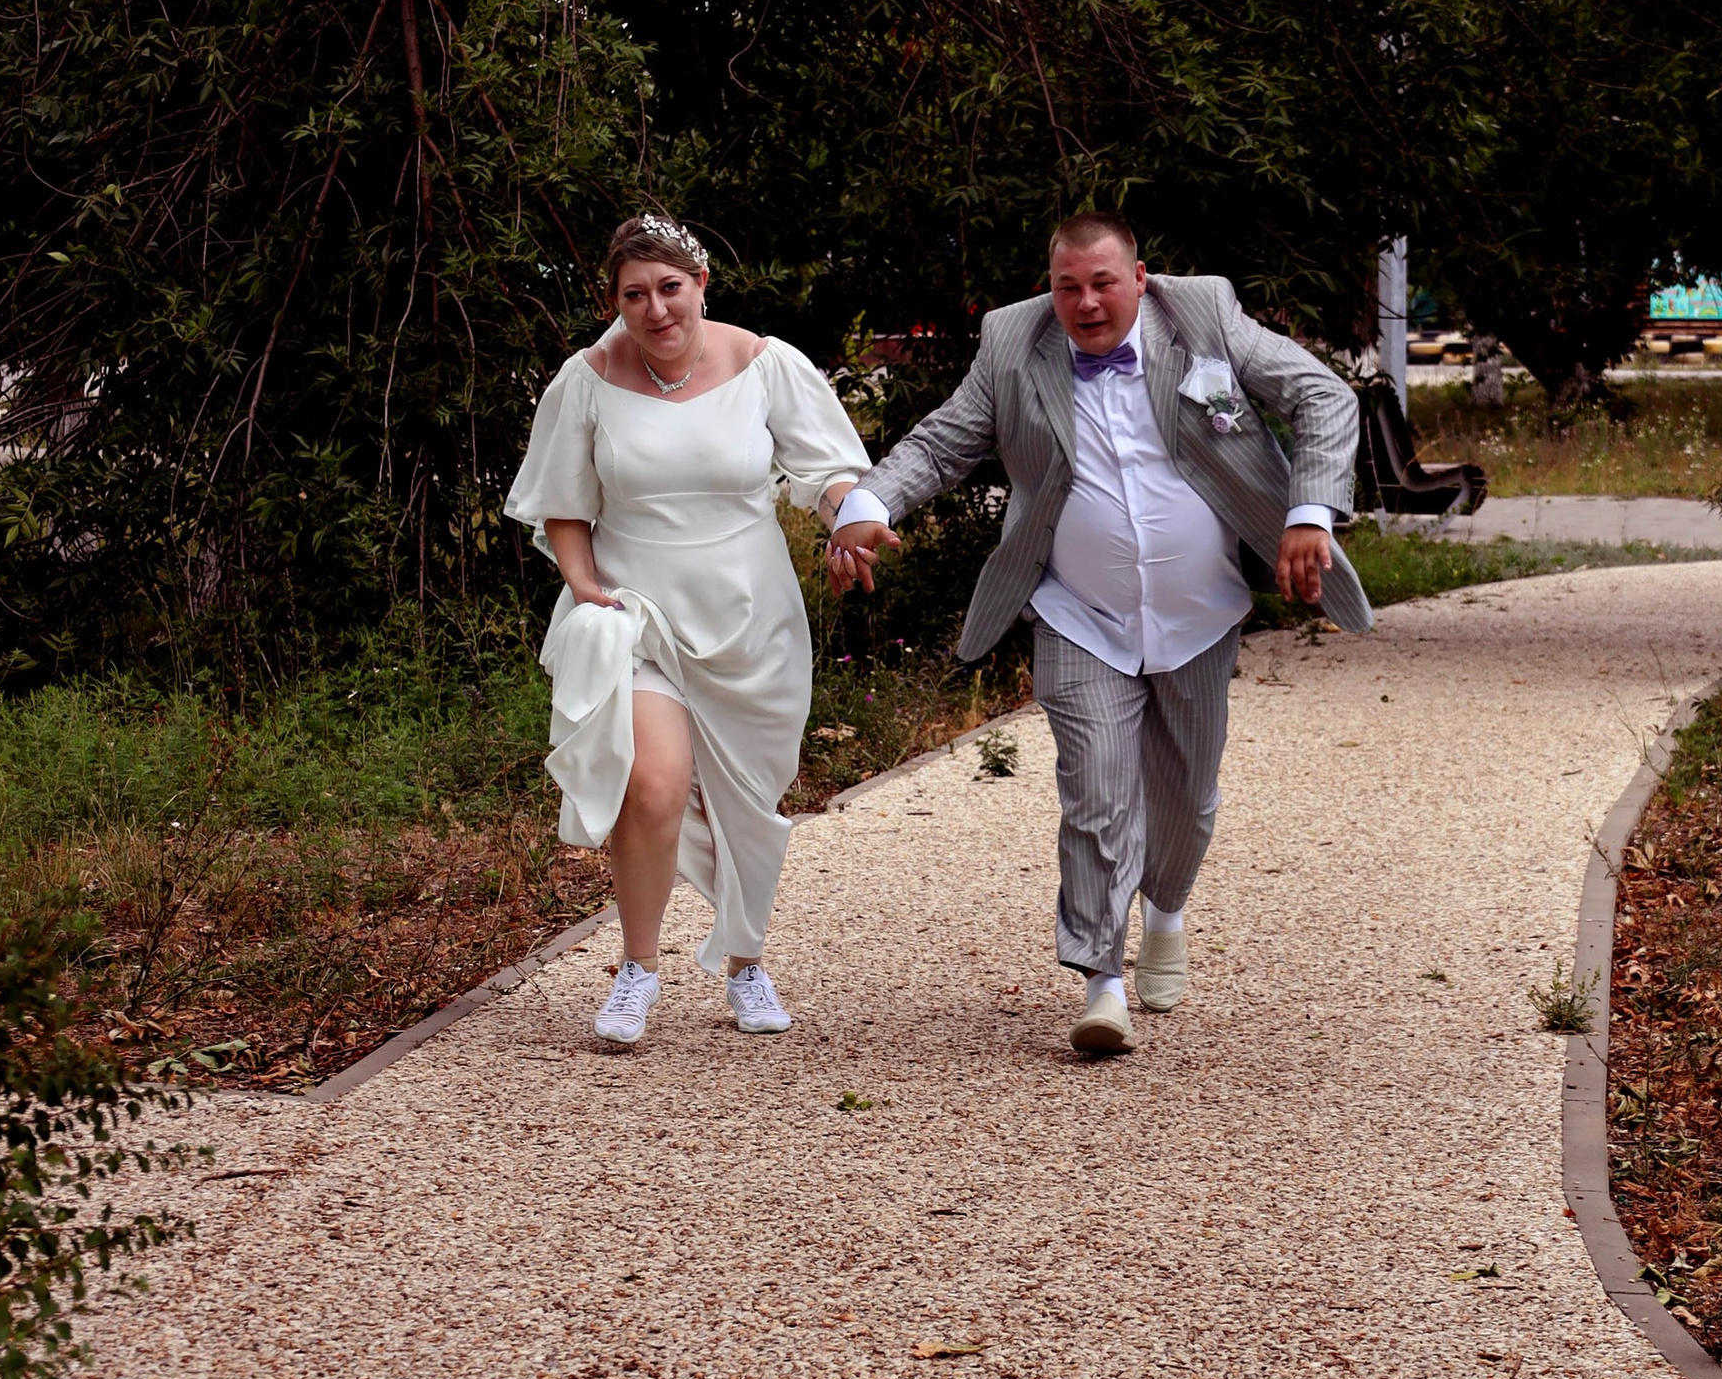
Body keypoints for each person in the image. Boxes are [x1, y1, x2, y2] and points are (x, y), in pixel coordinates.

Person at [826, 213, 1368, 1055]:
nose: (1084, 302)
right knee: (1095, 792)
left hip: (1200, 614)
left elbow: (1322, 394)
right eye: (1067, 285)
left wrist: (1308, 513)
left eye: (1102, 283)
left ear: (1140, 278)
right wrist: (867, 506)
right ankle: (1100, 980)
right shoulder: (1013, 343)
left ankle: (1167, 912)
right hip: (1077, 613)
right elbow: (942, 441)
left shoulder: (1206, 316)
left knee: (1187, 799)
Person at [505, 212, 872, 1044]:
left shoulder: (765, 364)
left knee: (751, 800)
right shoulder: (587, 378)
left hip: (752, 620)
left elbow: (827, 474)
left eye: (670, 288)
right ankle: (637, 969)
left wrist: (851, 518)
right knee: (654, 784)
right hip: (639, 614)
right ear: (615, 302)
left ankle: (746, 963)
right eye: (635, 295)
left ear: (701, 285)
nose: (656, 310)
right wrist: (585, 589)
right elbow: (564, 505)